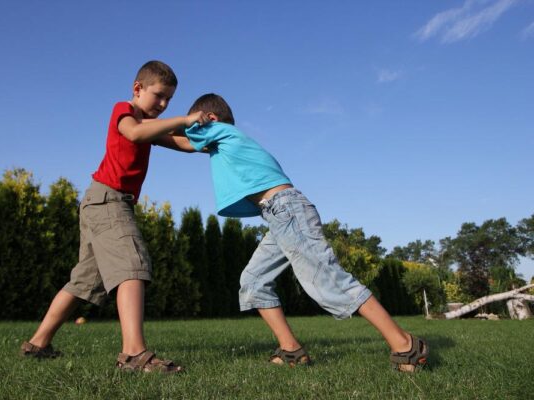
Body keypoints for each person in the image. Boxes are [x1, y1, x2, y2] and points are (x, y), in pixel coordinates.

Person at [180, 93, 428, 372]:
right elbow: (182, 141)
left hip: (286, 211)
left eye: (195, 124)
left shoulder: (221, 130)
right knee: (254, 281)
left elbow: (183, 141)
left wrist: (141, 131)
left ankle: (406, 344)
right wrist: (142, 133)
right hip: (279, 215)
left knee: (329, 280)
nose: (193, 130)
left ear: (209, 119)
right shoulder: (224, 140)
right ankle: (291, 350)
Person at [20, 61, 209, 373]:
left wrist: (213, 141)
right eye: (159, 96)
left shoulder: (150, 125)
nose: (163, 105)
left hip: (102, 201)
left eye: (169, 100)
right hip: (108, 198)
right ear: (137, 89)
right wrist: (185, 118)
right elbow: (133, 133)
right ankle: (134, 354)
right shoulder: (125, 111)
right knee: (133, 265)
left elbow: (183, 143)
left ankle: (37, 344)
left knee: (83, 282)